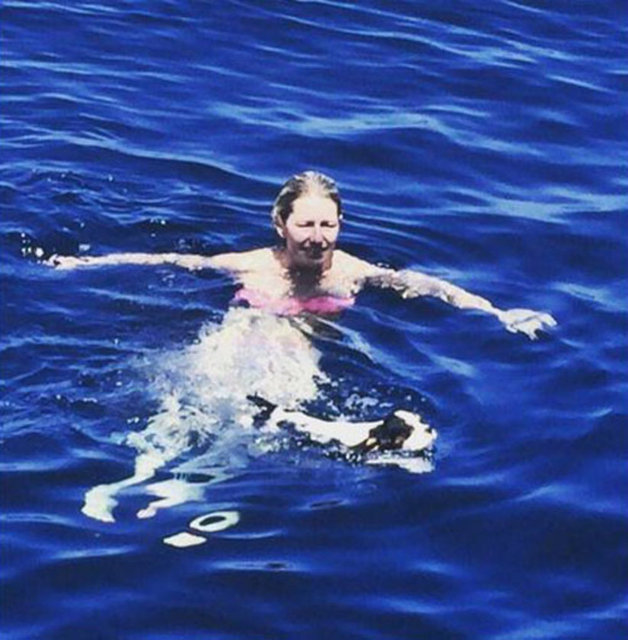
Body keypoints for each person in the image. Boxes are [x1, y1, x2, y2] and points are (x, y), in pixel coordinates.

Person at [48, 170, 556, 338]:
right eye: (306, 224)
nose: (317, 237)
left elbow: (430, 286)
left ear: (341, 225)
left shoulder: (355, 271)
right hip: (235, 342)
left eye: (327, 225)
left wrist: (497, 313)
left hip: (300, 354)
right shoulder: (252, 263)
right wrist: (86, 265)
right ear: (281, 225)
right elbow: (170, 261)